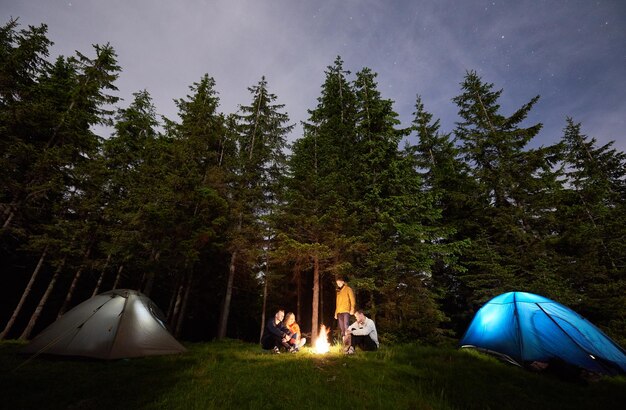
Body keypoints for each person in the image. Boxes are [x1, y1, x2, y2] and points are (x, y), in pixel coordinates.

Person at [334, 275, 356, 344]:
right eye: (337, 283)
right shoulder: (338, 291)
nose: (338, 284)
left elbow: (352, 299)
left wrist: (352, 308)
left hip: (346, 311)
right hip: (339, 312)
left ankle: (349, 343)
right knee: (342, 328)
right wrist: (335, 313)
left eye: (339, 283)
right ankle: (345, 344)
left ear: (343, 282)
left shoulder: (348, 289)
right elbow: (337, 303)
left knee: (346, 326)